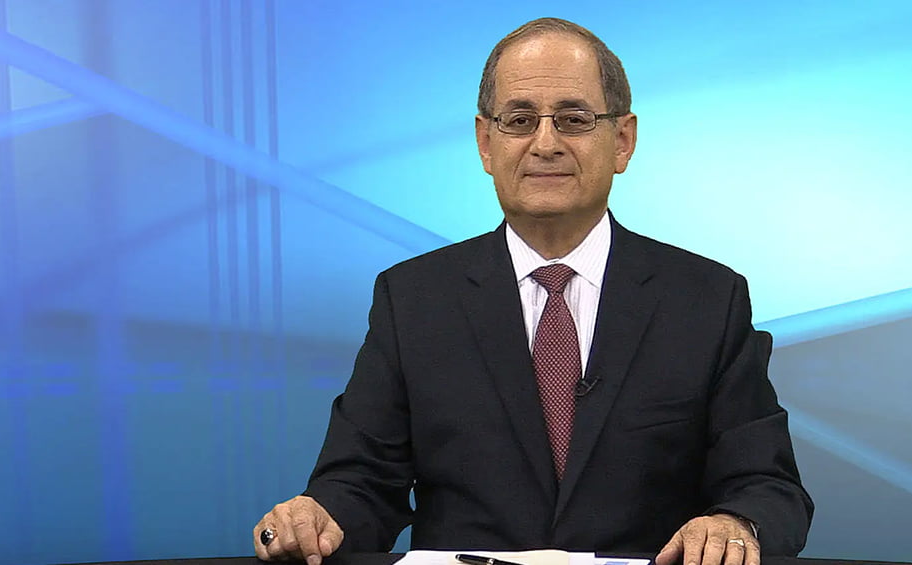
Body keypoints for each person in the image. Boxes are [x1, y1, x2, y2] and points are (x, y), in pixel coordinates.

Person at [253, 17, 813, 565]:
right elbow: (361, 482)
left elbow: (767, 485)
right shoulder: (413, 299)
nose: (545, 143)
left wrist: (735, 523)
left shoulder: (707, 299)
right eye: (520, 120)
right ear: (485, 142)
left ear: (622, 141)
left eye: (573, 119)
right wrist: (318, 517)